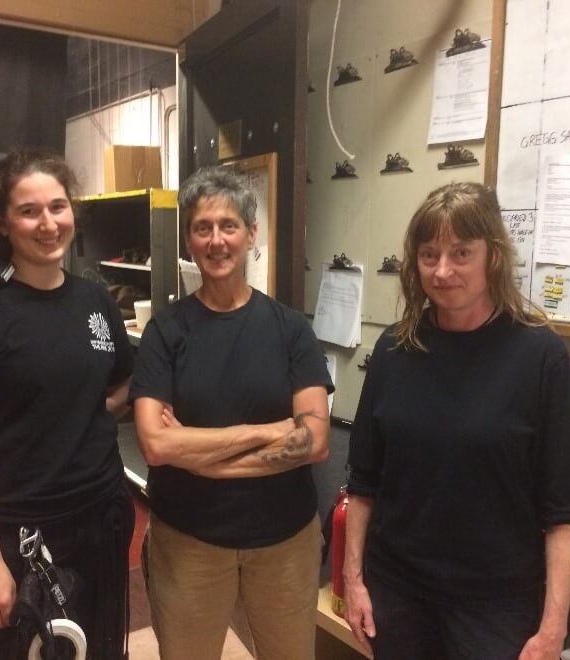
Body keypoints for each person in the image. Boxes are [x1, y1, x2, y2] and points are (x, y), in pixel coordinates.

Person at [344, 182, 570, 660]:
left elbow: (564, 511)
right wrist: (354, 581)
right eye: (429, 253)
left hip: (496, 607)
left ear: (492, 257)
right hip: (398, 594)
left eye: (461, 252)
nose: (442, 270)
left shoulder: (541, 357)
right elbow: (364, 483)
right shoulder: (394, 350)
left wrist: (554, 627)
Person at [0, 150, 135, 659]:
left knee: (101, 650)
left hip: (98, 520)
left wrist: (94, 413)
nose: (48, 223)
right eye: (29, 210)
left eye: (58, 207)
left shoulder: (95, 302)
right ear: (1, 220)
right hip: (18, 535)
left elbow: (118, 388)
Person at [129, 166, 334, 660]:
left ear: (250, 234)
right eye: (203, 228)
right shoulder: (166, 332)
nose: (216, 240)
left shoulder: (289, 330)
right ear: (189, 239)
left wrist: (195, 453)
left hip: (285, 541)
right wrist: (266, 430)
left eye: (228, 226)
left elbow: (317, 441)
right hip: (189, 540)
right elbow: (156, 445)